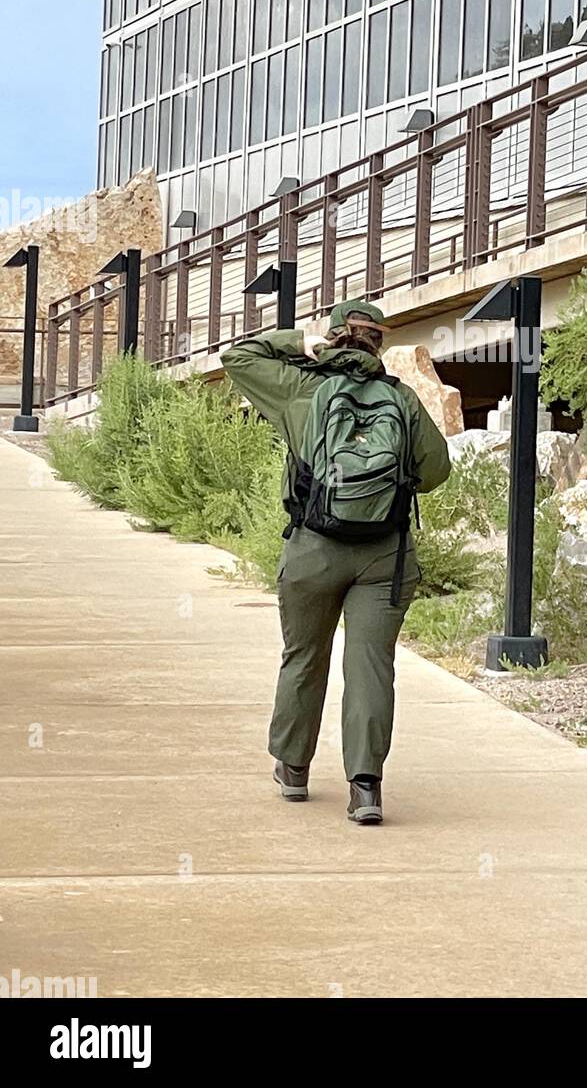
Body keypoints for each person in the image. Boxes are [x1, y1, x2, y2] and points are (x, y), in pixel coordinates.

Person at [221, 300, 450, 824]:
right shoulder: (402, 399)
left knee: (303, 656)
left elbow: (238, 356)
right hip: (385, 555)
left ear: (332, 338)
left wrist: (297, 345)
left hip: (313, 551)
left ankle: (294, 769)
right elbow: (437, 470)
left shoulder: (301, 390)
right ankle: (365, 788)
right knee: (370, 664)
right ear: (378, 344)